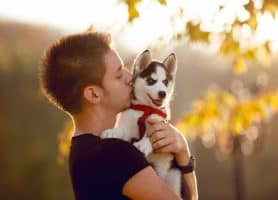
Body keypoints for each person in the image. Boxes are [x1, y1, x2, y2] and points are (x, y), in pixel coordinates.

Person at [39, 32, 198, 200]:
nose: (131, 77)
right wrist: (183, 153)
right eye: (119, 74)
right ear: (94, 94)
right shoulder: (115, 154)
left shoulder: (82, 151)